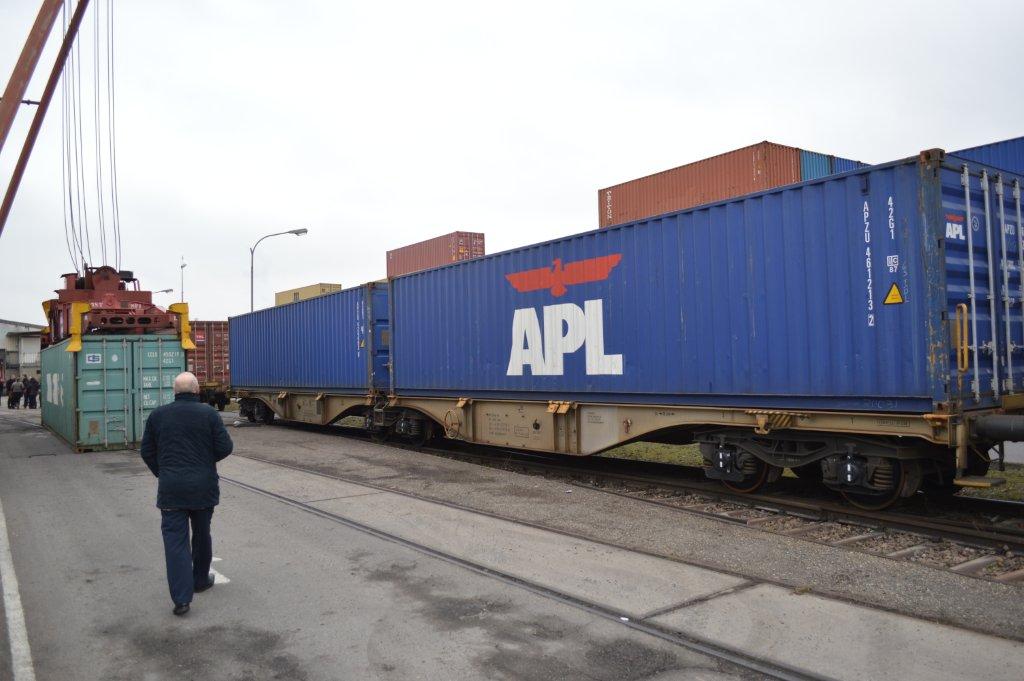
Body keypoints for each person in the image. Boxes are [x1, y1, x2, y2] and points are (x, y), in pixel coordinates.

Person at [140, 371, 234, 616]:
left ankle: (182, 599)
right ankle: (201, 580)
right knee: (202, 534)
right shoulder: (208, 414)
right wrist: (203, 462)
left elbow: (147, 451)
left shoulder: (158, 415)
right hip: (203, 487)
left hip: (171, 488)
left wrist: (164, 472)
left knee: (175, 543)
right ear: (196, 390)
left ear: (175, 392)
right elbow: (225, 447)